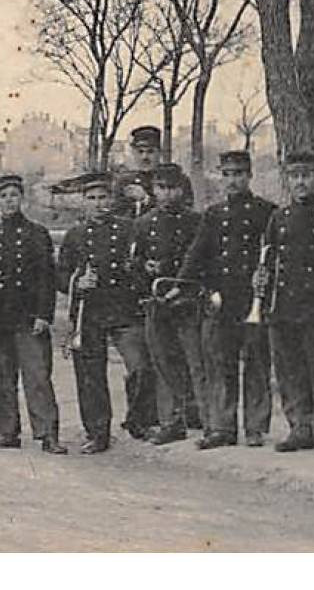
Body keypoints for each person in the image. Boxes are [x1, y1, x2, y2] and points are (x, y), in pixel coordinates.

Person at [179, 149, 275, 449]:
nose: (232, 181)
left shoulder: (267, 212)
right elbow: (197, 256)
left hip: (254, 298)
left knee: (257, 362)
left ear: (249, 176)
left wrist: (267, 280)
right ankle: (222, 427)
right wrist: (186, 286)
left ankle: (256, 427)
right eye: (227, 174)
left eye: (238, 174)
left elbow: (275, 255)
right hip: (222, 299)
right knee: (220, 363)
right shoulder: (213, 214)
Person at [57, 171, 155, 454]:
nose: (98, 204)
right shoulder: (75, 236)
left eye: (102, 198)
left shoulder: (129, 229)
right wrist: (78, 281)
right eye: (91, 199)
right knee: (90, 375)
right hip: (89, 313)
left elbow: (139, 265)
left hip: (124, 309)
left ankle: (138, 420)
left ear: (111, 200)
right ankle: (98, 432)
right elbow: (60, 277)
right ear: (83, 202)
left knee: (140, 365)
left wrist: (136, 273)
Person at [0, 174, 65, 454]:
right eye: (3, 196)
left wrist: (43, 314)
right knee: (0, 377)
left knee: (37, 376)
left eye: (14, 195)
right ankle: (7, 431)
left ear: (22, 199)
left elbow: (46, 278)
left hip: (28, 318)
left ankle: (47, 433)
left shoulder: (36, 234)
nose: (9, 201)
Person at [260, 151, 314, 453]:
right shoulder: (278, 218)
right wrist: (264, 293)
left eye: (306, 175)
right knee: (289, 369)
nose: (301, 182)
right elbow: (268, 260)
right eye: (295, 176)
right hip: (283, 305)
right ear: (287, 180)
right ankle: (299, 427)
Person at [133, 162, 207, 444]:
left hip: (187, 301)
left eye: (172, 188)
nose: (167, 195)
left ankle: (206, 418)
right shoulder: (143, 224)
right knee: (163, 362)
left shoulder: (196, 221)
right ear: (153, 191)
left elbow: (202, 260)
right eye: (161, 188)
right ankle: (172, 421)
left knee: (195, 361)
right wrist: (145, 268)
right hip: (157, 301)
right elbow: (134, 263)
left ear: (181, 189)